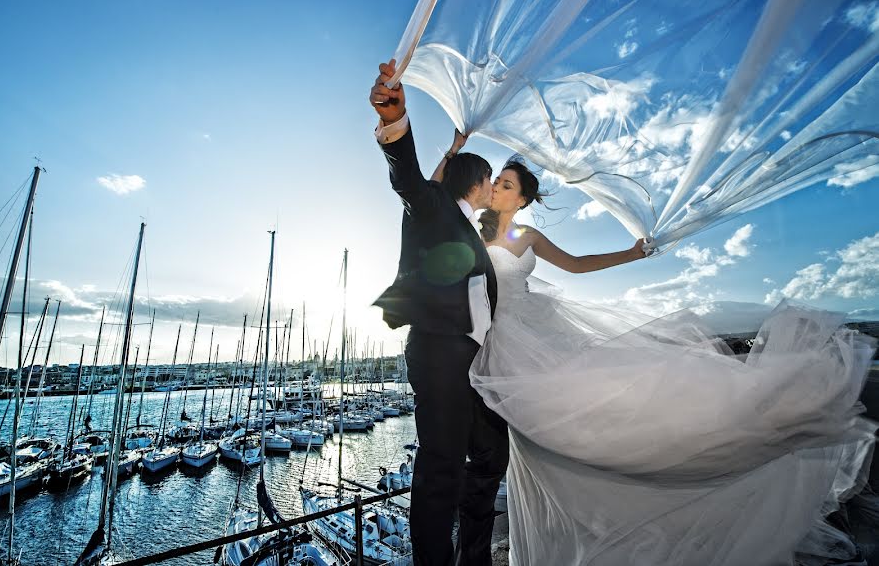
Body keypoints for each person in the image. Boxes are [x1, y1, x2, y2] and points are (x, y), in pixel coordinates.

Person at [449, 152, 876, 565]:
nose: (495, 188)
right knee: (533, 445)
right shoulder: (470, 229)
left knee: (577, 421)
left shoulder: (527, 237)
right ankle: (546, 544)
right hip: (495, 338)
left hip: (533, 336)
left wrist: (632, 254)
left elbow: (576, 265)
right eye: (496, 183)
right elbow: (430, 203)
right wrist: (451, 152)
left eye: (506, 185)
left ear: (522, 199)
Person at [369, 60, 509, 566]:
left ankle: (473, 555)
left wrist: (453, 149)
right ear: (478, 182)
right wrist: (396, 124)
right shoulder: (432, 209)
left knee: (493, 453)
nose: (496, 189)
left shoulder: (468, 226)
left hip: (469, 364)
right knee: (441, 469)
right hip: (438, 352)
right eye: (492, 180)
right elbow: (408, 179)